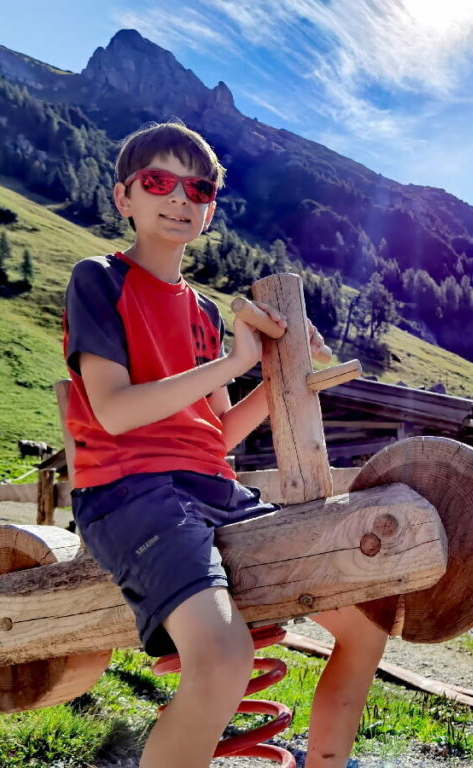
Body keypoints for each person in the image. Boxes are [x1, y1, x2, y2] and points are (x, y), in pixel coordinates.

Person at [63, 121, 387, 768]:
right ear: (124, 197)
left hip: (212, 487)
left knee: (366, 623)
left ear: (210, 210)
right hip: (129, 494)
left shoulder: (207, 313)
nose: (180, 197)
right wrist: (233, 362)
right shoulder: (98, 279)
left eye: (199, 188)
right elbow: (115, 410)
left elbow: (219, 436)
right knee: (224, 655)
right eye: (158, 181)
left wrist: (279, 375)